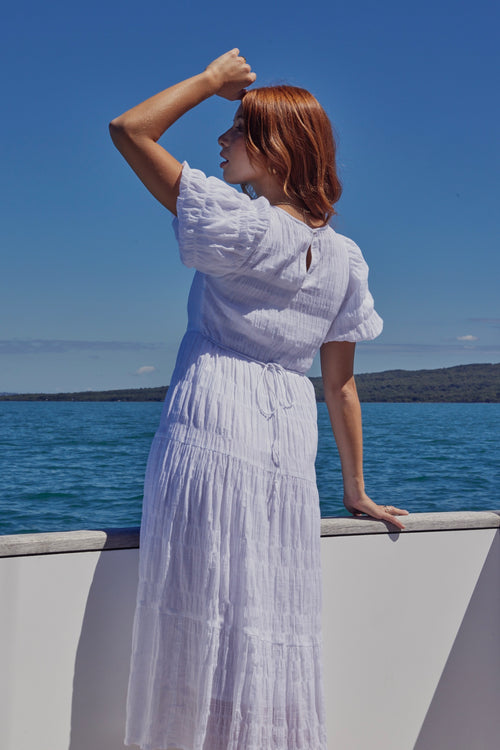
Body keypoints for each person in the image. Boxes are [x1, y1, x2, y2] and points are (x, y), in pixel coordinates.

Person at [110, 48, 408, 750]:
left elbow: (129, 130)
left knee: (197, 607)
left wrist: (212, 81)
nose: (221, 141)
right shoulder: (344, 259)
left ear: (276, 147)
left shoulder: (240, 226)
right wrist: (356, 490)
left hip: (212, 422)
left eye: (236, 129)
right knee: (269, 621)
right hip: (285, 453)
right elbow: (339, 385)